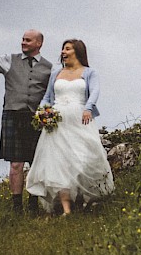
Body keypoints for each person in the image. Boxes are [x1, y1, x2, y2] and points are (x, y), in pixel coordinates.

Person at [0, 26, 53, 213]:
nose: (23, 42)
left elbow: (52, 94)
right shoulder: (9, 60)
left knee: (36, 162)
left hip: (36, 118)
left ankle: (33, 203)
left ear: (39, 43)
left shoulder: (49, 68)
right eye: (22, 39)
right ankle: (16, 207)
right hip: (12, 115)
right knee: (15, 163)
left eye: (28, 40)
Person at [26, 39, 114, 215]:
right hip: (57, 123)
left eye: (67, 49)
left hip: (80, 120)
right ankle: (66, 208)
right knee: (59, 163)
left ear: (77, 51)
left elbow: (95, 91)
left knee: (83, 158)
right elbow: (47, 96)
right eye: (63, 49)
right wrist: (42, 112)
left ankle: (82, 197)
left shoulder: (89, 73)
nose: (63, 52)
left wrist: (88, 108)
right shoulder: (56, 73)